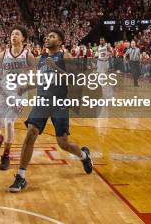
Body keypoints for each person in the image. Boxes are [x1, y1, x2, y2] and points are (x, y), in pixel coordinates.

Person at [9, 29, 93, 192]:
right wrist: (25, 87)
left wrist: (56, 68)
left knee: (63, 144)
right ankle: (21, 176)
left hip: (59, 102)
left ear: (60, 42)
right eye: (47, 36)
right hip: (42, 101)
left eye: (52, 36)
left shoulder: (65, 57)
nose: (48, 38)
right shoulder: (40, 59)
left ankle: (84, 156)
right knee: (31, 133)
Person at [0, 26, 35, 170]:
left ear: (23, 38)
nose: (13, 36)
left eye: (17, 34)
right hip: (3, 92)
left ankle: (6, 155)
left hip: (19, 94)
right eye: (12, 34)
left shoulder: (28, 55)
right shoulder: (4, 54)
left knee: (9, 122)